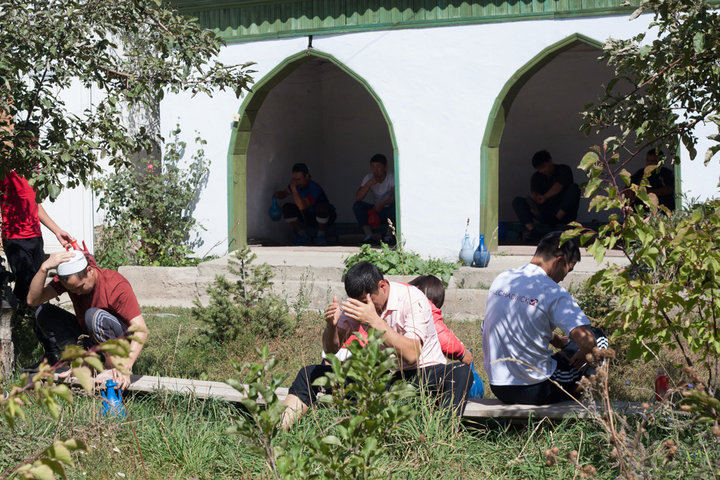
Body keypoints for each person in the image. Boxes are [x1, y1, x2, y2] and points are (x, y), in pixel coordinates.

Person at [281, 261, 472, 429]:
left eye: (367, 302)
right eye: (359, 303)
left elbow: (412, 354)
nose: (364, 307)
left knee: (460, 372)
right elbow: (332, 352)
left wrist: (374, 320)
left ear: (382, 286)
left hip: (420, 374)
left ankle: (441, 435)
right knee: (309, 374)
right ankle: (279, 431)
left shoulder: (413, 299)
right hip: (381, 379)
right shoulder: (360, 303)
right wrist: (330, 327)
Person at [481, 232, 608, 405]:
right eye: (568, 270)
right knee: (598, 337)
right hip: (536, 388)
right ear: (559, 261)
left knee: (569, 345)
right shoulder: (553, 292)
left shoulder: (503, 279)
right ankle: (579, 394)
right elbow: (587, 341)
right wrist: (583, 353)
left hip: (500, 386)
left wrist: (556, 340)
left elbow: (509, 324)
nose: (563, 278)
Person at [1, 122, 75, 368]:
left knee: (30, 291)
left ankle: (19, 318)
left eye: (36, 141)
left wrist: (57, 231)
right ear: (18, 141)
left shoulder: (35, 168)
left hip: (35, 239)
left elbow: (36, 205)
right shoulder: (6, 168)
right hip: (14, 240)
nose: (33, 145)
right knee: (34, 290)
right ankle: (51, 349)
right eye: (28, 141)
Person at [26, 250, 149, 389]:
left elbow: (141, 330)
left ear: (89, 271)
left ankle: (111, 367)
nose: (77, 293)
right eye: (71, 290)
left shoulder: (115, 285)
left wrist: (126, 367)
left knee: (94, 316)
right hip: (92, 338)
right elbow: (33, 300)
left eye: (80, 287)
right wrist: (44, 268)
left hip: (120, 342)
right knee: (44, 312)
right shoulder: (71, 281)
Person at [512, 150, 581, 242]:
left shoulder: (564, 169)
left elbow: (558, 186)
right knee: (518, 201)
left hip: (562, 212)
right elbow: (534, 193)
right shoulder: (536, 176)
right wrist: (536, 200)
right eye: (539, 169)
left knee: (574, 188)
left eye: (544, 167)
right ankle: (532, 230)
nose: (542, 171)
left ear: (550, 161)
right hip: (545, 212)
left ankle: (557, 218)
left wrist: (545, 197)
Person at [273, 163, 336, 245]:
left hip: (324, 219)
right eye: (294, 180)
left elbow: (302, 206)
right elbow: (285, 193)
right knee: (287, 208)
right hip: (309, 217)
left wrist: (294, 190)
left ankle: (321, 236)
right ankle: (302, 236)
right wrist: (277, 194)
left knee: (321, 208)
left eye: (298, 179)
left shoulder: (314, 188)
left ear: (307, 176)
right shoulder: (297, 185)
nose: (296, 182)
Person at [352, 154, 395, 245]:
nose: (375, 170)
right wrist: (368, 184)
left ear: (385, 167)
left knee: (396, 207)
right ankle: (369, 236)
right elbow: (358, 198)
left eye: (378, 167)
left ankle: (388, 236)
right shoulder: (369, 177)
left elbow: (397, 197)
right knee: (358, 206)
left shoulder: (391, 177)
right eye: (373, 167)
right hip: (375, 210)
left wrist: (383, 203)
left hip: (387, 209)